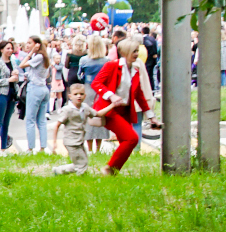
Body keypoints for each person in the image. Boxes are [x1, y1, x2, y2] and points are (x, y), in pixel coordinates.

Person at [91, 38, 153, 176]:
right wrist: (110, 96)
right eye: (134, 51)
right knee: (132, 139)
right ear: (124, 52)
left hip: (125, 110)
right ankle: (110, 169)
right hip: (111, 109)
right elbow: (96, 83)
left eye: (137, 51)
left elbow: (139, 95)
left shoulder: (135, 69)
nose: (137, 54)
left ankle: (113, 171)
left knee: (127, 142)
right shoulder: (111, 66)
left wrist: (151, 116)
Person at [49, 84, 95, 174]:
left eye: (81, 94)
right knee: (81, 164)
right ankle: (81, 181)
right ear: (70, 96)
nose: (79, 96)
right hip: (71, 142)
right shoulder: (67, 110)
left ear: (85, 96)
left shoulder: (84, 107)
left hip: (80, 140)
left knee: (83, 162)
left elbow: (97, 114)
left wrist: (112, 106)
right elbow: (57, 125)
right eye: (76, 94)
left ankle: (58, 170)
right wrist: (54, 142)